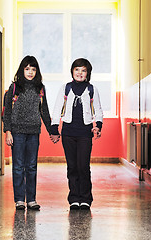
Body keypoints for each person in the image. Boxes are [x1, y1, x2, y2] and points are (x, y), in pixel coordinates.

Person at [50, 58, 103, 210]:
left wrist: (98, 126)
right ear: (72, 71)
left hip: (85, 133)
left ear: (88, 73)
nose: (80, 73)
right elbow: (57, 108)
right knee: (72, 167)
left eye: (83, 70)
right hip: (68, 133)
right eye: (77, 69)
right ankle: (74, 198)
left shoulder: (92, 89)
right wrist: (55, 128)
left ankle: (85, 198)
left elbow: (98, 110)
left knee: (83, 166)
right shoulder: (65, 88)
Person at [3, 55, 52, 210]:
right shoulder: (15, 87)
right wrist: (8, 131)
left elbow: (44, 111)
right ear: (22, 70)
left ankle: (31, 199)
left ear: (37, 71)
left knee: (31, 166)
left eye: (33, 69)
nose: (30, 72)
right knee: (18, 166)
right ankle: (19, 200)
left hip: (33, 132)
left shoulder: (40, 88)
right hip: (17, 132)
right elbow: (7, 111)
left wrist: (52, 130)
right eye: (27, 69)